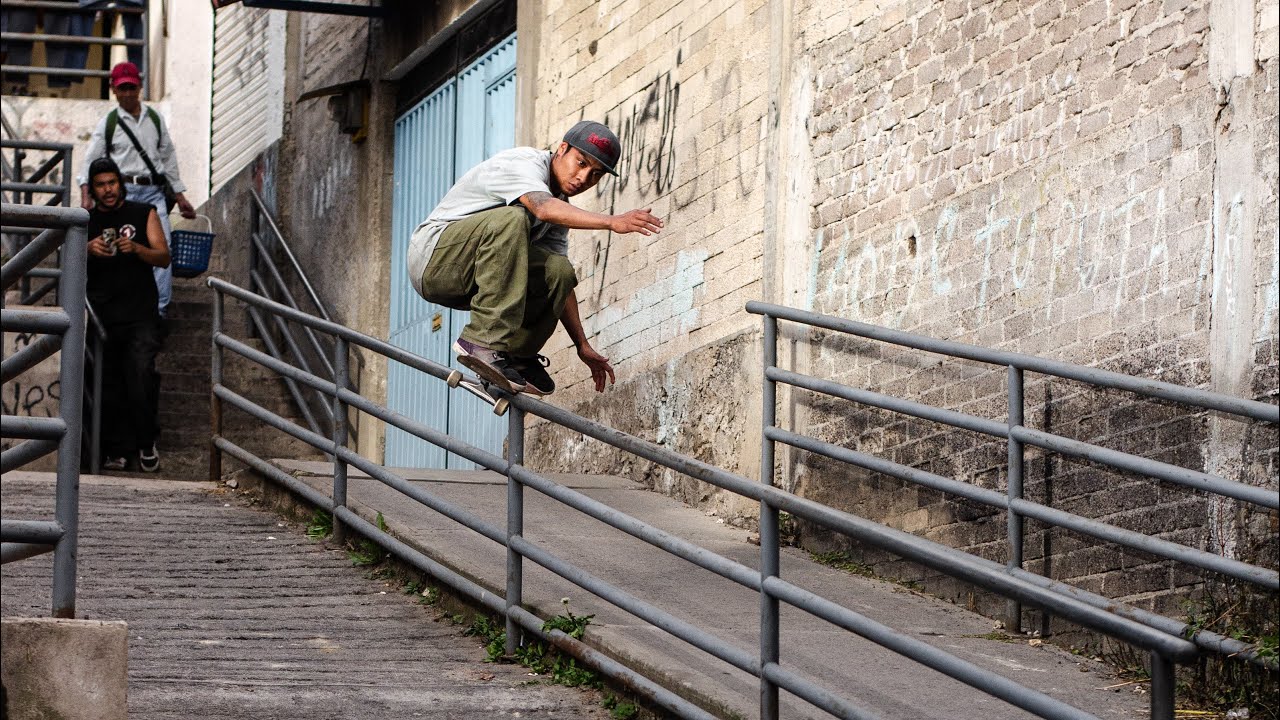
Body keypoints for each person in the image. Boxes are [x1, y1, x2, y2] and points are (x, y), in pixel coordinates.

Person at [407, 121, 663, 396]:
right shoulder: (524, 164)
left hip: (472, 279)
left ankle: (515, 356)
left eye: (595, 174)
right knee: (513, 218)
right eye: (581, 163)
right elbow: (541, 208)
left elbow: (558, 284)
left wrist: (582, 344)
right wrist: (612, 222)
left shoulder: (559, 209)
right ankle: (480, 342)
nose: (583, 178)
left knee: (559, 270)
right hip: (433, 261)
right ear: (561, 149)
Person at [78, 61, 195, 319]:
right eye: (122, 88)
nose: (128, 93)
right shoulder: (108, 124)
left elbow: (168, 158)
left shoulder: (154, 119)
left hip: (153, 193)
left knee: (163, 251)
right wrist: (86, 195)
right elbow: (90, 162)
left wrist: (180, 196)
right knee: (121, 250)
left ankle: (159, 312)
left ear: (140, 87)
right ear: (114, 90)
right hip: (122, 194)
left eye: (132, 87)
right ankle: (121, 309)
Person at [84, 157, 169, 472]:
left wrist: (137, 249)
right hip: (100, 316)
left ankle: (146, 442)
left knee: (141, 374)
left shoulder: (142, 213)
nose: (107, 190)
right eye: (100, 185)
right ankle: (115, 450)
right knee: (106, 383)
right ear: (92, 189)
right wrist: (86, 248)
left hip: (139, 316)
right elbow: (64, 262)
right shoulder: (85, 221)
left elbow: (163, 257)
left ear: (121, 183)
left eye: (112, 183)